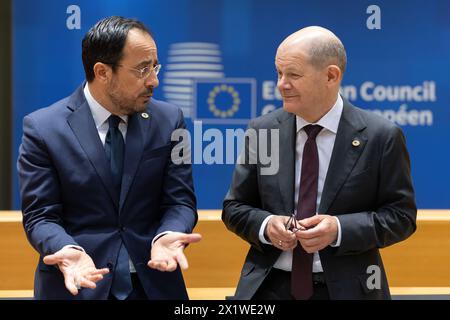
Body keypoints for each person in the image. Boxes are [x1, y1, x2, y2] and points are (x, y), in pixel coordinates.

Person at [222, 26, 417, 300]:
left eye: (293, 75)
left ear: (331, 75)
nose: (281, 84)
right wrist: (266, 226)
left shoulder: (381, 136)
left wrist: (338, 230)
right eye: (279, 73)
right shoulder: (263, 130)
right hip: (269, 289)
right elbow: (234, 207)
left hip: (349, 290)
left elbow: (402, 217)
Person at [17, 16, 201, 300]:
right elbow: (41, 216)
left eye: (155, 67)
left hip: (153, 284)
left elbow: (180, 201)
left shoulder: (169, 120)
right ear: (102, 72)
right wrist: (69, 251)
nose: (154, 80)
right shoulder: (43, 128)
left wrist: (168, 234)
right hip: (79, 284)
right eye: (142, 69)